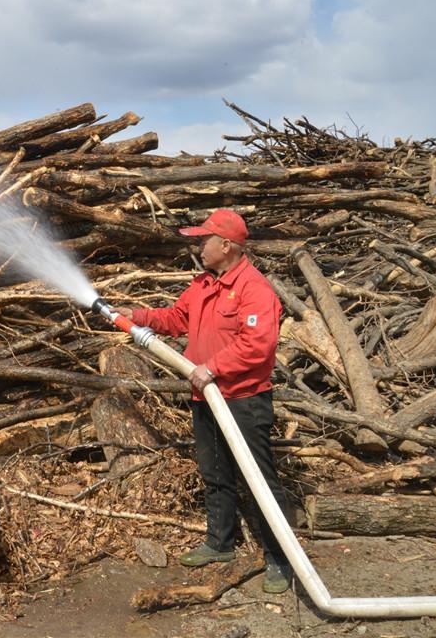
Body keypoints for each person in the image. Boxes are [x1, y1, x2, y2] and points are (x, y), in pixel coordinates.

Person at [118, 208, 292, 594]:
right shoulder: (203, 284)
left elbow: (258, 346)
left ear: (226, 245)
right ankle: (220, 543)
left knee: (259, 479)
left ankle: (281, 558)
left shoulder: (254, 289)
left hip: (242, 400)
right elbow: (177, 317)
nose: (199, 245)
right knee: (215, 474)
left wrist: (212, 367)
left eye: (203, 239)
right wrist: (138, 315)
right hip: (205, 397)